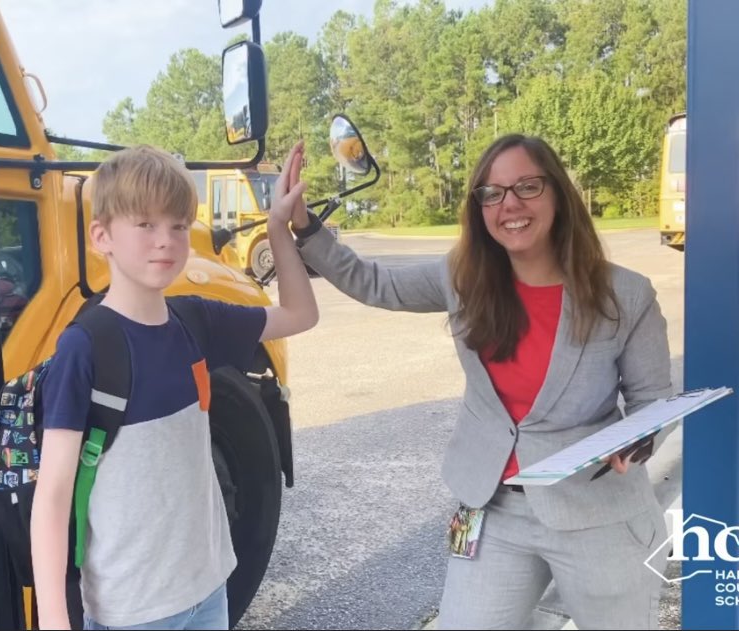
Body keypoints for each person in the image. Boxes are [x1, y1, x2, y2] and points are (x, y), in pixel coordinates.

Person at [286, 134, 672, 629]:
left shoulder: (626, 294)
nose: (509, 204)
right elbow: (372, 281)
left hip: (595, 513)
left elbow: (652, 400)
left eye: (527, 187)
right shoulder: (463, 278)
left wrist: (637, 439)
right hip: (491, 511)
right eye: (492, 193)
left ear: (557, 193)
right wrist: (304, 225)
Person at [30, 142, 317, 631]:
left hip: (207, 591)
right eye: (145, 225)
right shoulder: (85, 347)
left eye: (178, 226)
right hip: (131, 611)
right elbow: (53, 496)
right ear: (102, 236)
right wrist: (56, 620)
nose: (166, 240)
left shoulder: (196, 320)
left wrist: (277, 230)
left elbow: (300, 314)